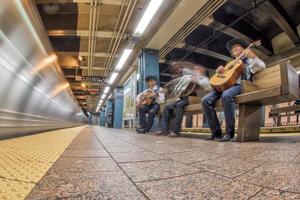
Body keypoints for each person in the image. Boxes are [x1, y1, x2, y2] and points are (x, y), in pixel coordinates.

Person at [202, 38, 266, 142]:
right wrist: (218, 72)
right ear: (232, 53)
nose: (234, 48)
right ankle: (216, 132)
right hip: (224, 86)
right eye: (232, 48)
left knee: (226, 95)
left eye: (238, 46)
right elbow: (223, 78)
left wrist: (253, 56)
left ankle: (229, 133)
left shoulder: (248, 60)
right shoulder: (230, 63)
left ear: (244, 49)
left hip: (240, 85)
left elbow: (262, 66)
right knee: (205, 100)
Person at [155, 65, 210, 137]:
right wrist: (168, 86)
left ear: (203, 71)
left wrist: (196, 80)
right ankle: (164, 129)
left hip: (193, 99)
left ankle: (176, 131)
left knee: (179, 105)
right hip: (184, 98)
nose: (195, 70)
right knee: (168, 107)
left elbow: (206, 86)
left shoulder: (204, 79)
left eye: (198, 69)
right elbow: (177, 83)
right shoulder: (188, 78)